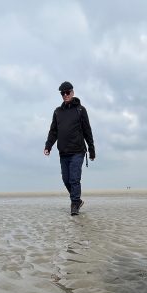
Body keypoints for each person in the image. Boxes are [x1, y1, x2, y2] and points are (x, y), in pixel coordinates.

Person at [44, 81, 95, 215]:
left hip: (78, 151)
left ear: (72, 92)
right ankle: (77, 200)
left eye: (67, 92)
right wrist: (48, 146)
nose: (65, 95)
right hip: (63, 152)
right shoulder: (57, 112)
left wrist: (91, 148)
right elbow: (53, 131)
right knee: (66, 179)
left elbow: (87, 130)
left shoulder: (80, 110)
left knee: (74, 179)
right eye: (63, 93)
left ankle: (74, 204)